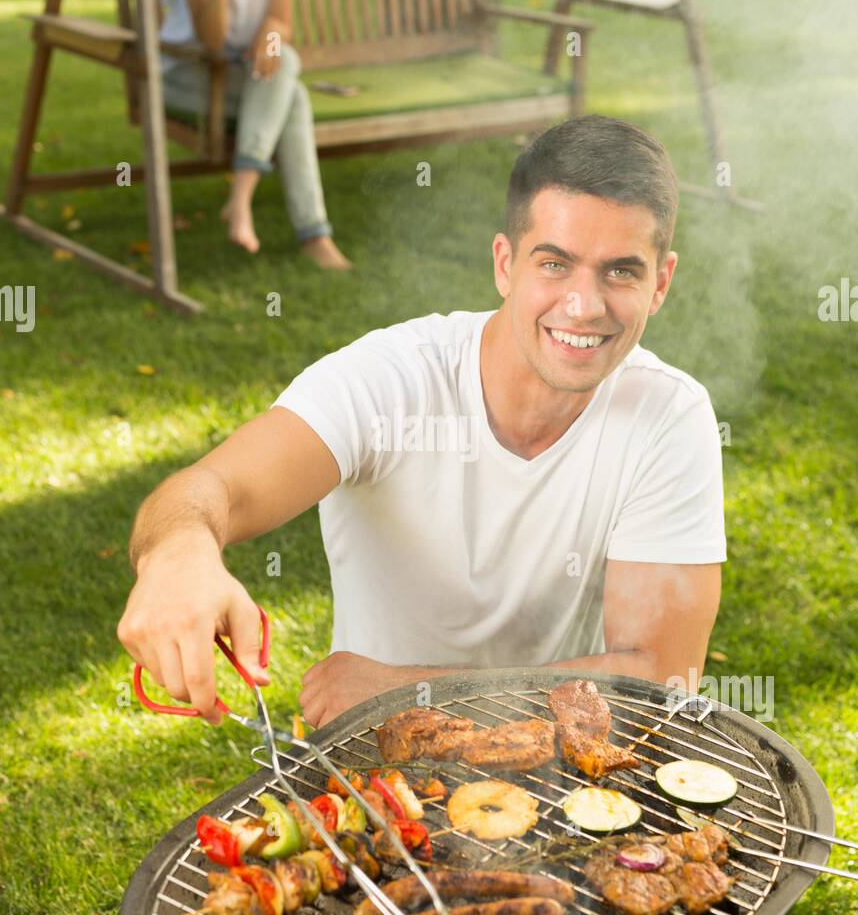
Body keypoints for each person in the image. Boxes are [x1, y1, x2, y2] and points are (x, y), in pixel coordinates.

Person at [117, 115, 726, 728]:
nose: (584, 305)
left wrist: (409, 691)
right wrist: (180, 554)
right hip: (377, 760)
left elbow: (658, 678)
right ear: (504, 264)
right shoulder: (390, 380)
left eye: (621, 271)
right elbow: (209, 489)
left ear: (661, 283)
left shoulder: (669, 416)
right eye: (554, 264)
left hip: (567, 764)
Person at [159, 0, 351, 269]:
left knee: (287, 67)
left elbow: (281, 18)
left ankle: (243, 198)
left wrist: (269, 37)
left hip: (246, 73)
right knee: (293, 94)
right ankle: (313, 235)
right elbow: (211, 40)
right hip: (185, 75)